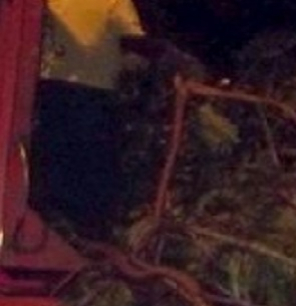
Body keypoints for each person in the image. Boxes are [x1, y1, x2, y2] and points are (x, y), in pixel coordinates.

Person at [31, 0, 190, 240]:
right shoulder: (114, 1)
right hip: (95, 90)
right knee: (94, 164)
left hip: (47, 87)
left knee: (53, 157)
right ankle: (90, 232)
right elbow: (134, 46)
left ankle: (52, 226)